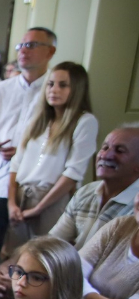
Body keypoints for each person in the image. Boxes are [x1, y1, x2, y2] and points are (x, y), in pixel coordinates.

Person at [0, 27, 57, 299]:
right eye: (21, 44)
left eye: (32, 45)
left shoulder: (54, 90)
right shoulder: (1, 89)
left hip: (34, 182)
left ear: (50, 52)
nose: (23, 50)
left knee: (30, 250)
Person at [7, 61, 97, 248]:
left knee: (45, 258)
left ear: (77, 89)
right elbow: (16, 163)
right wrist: (11, 203)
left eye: (63, 85)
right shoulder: (39, 119)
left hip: (53, 199)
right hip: (23, 194)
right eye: (50, 84)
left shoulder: (84, 121)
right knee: (16, 256)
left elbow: (73, 173)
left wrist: (38, 208)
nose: (54, 90)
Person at [50, 125, 139, 250]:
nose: (105, 155)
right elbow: (52, 241)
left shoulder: (136, 207)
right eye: (105, 147)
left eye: (119, 151)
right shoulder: (86, 192)